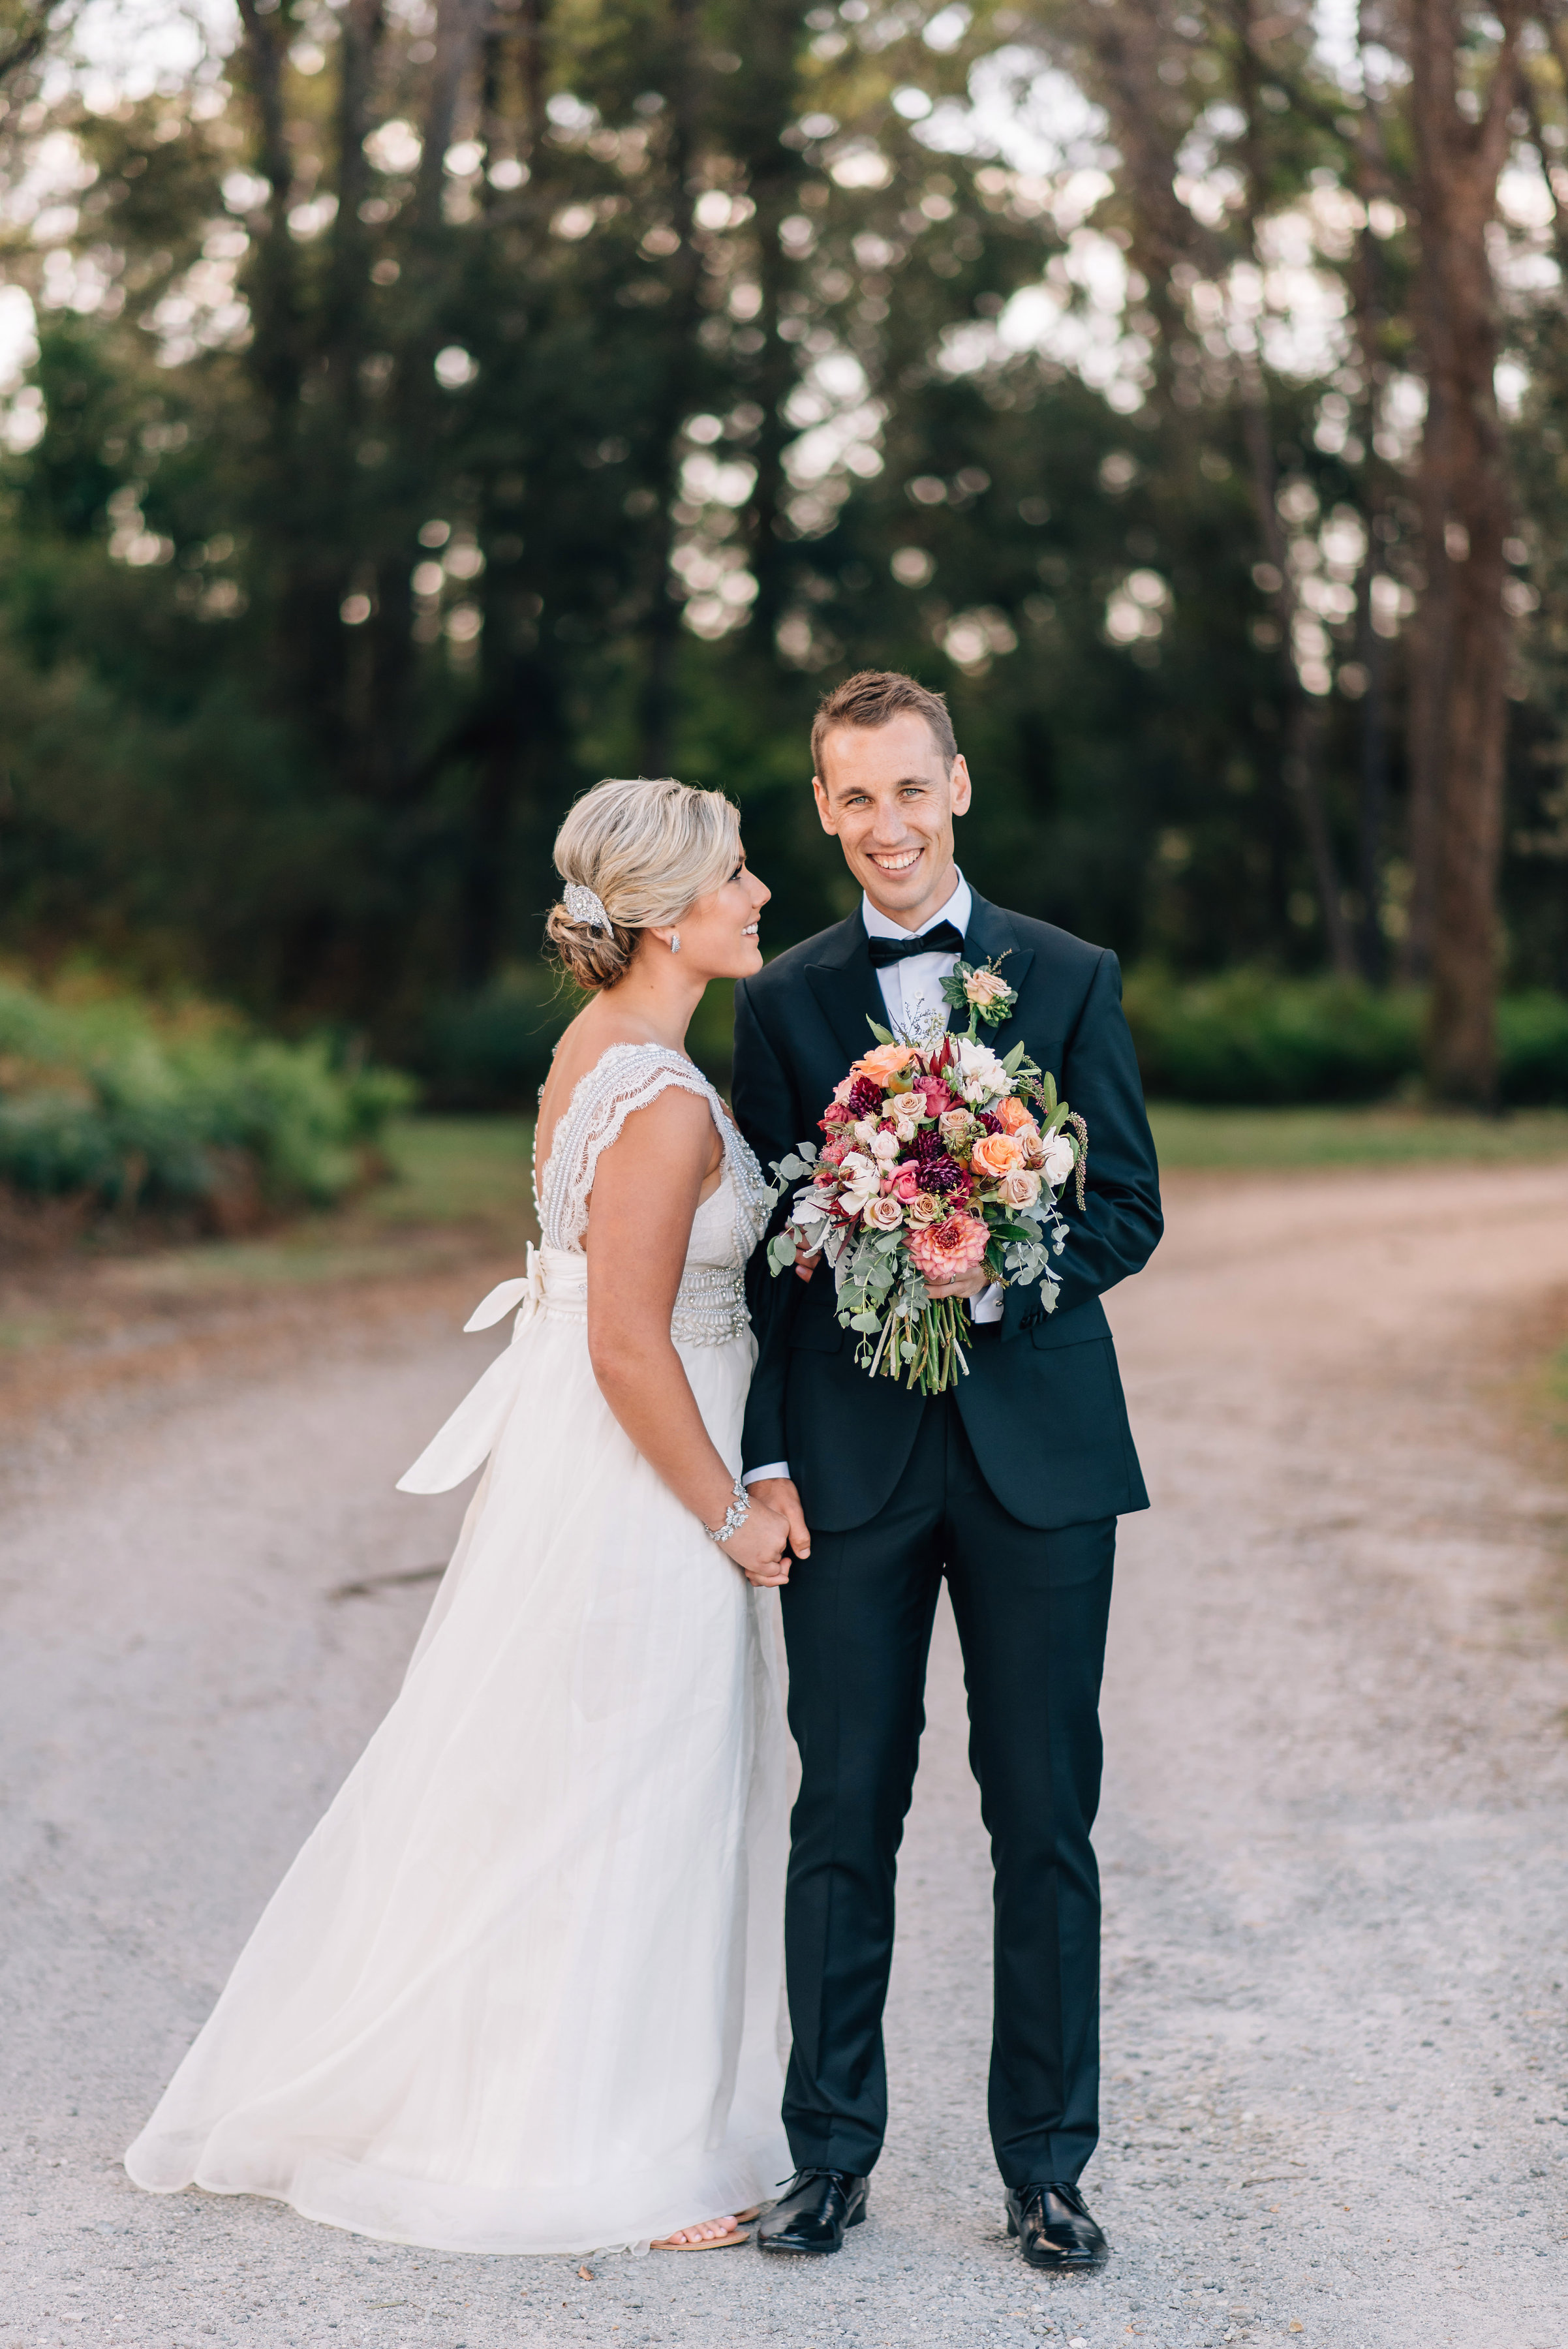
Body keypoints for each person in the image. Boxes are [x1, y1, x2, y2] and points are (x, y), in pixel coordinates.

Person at [125, 777, 796, 2258]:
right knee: (635, 1792)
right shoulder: (665, 1099)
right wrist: (725, 1516)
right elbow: (627, 1340)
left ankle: (595, 2103)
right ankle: (599, 2147)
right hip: (640, 1487)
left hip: (604, 1463)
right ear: (671, 915)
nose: (759, 894)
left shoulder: (604, 1054)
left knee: (578, 1784)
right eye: (738, 875)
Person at [733, 671, 1163, 2271]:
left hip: (1037, 1462)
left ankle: (1045, 2165)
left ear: (957, 788)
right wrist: (769, 1458)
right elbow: (776, 1256)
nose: (885, 825)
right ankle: (827, 2154)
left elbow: (1121, 1204)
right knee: (841, 1808)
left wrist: (984, 1265)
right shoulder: (779, 1003)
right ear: (825, 810)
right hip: (849, 1469)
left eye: (908, 789)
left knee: (1042, 1812)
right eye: (853, 798)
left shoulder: (1064, 977)